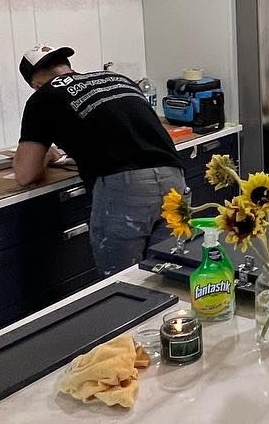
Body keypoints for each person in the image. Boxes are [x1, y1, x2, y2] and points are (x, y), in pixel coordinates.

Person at [13, 45, 188, 276]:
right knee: (169, 272)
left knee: (125, 281)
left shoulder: (43, 97)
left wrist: (47, 154)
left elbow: (26, 175)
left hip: (125, 188)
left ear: (35, 84)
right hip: (174, 177)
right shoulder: (116, 79)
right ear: (69, 67)